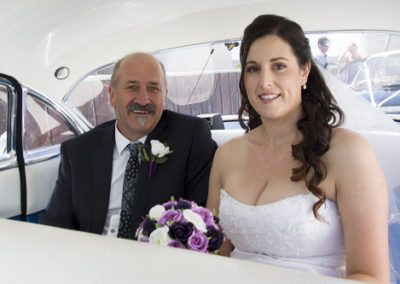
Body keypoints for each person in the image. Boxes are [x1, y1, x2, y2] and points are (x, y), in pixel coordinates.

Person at [207, 14, 390, 282]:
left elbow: (370, 276)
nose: (264, 81)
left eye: (279, 66)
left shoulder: (348, 152)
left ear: (304, 71)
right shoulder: (227, 155)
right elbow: (215, 254)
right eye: (253, 68)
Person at [40, 52, 217, 238]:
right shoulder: (78, 152)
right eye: (132, 87)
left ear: (165, 95)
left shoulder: (191, 137)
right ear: (112, 95)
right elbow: (55, 224)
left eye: (153, 88)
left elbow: (202, 217)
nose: (143, 99)